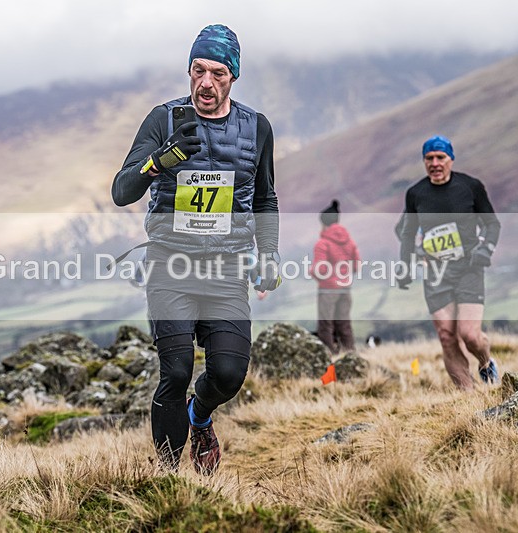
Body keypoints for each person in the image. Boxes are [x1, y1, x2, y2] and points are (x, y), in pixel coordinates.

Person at [111, 24, 280, 474]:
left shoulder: (257, 127)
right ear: (189, 70)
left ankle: (199, 416)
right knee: (176, 370)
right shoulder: (163, 120)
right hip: (171, 265)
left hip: (227, 270)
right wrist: (158, 161)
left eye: (218, 73)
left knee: (228, 374)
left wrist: (269, 253)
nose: (206, 83)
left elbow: (265, 198)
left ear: (233, 76)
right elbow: (121, 191)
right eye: (198, 70)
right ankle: (169, 479)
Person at [397, 135, 501, 390]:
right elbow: (406, 232)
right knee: (447, 336)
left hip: (468, 268)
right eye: (429, 158)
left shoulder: (470, 186)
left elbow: (492, 224)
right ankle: (469, 398)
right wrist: (406, 264)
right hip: (435, 272)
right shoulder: (416, 193)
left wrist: (485, 249)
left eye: (440, 157)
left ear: (451, 159)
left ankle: (486, 362)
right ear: (424, 161)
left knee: (469, 335)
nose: (435, 163)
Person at [310, 199, 360, 354]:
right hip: (345, 287)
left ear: (324, 223)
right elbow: (356, 265)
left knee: (326, 325)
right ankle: (350, 355)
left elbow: (320, 268)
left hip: (328, 289)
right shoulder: (349, 242)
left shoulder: (323, 243)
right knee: (344, 324)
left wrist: (312, 271)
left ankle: (329, 356)